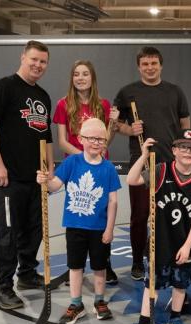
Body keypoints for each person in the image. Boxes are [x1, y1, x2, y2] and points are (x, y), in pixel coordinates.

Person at [0, 40, 53, 309]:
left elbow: (46, 136)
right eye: (34, 59)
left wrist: (50, 166)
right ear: (23, 57)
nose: (38, 65)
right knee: (7, 233)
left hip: (35, 178)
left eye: (43, 61)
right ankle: (3, 287)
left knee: (34, 230)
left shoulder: (43, 96)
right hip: (8, 178)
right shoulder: (3, 87)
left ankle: (27, 274)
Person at [118, 129, 191, 324]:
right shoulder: (161, 170)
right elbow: (131, 180)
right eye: (184, 147)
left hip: (184, 243)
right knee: (153, 284)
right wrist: (142, 156)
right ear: (174, 150)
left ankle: (175, 318)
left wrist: (188, 245)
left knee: (180, 283)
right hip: (160, 241)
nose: (188, 151)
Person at [114, 46, 191, 282]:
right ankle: (137, 260)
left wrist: (185, 156)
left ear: (160, 65)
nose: (149, 68)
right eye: (145, 64)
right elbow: (116, 125)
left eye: (153, 63)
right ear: (139, 66)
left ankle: (162, 255)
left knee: (167, 213)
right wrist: (130, 128)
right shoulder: (127, 93)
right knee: (139, 215)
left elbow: (185, 125)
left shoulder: (175, 92)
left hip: (170, 164)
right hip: (142, 163)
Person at [35, 118, 121, 324]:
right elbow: (55, 186)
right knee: (75, 266)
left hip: (99, 228)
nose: (96, 142)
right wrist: (45, 180)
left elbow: (113, 201)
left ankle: (100, 301)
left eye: (100, 139)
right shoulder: (72, 162)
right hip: (75, 226)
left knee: (100, 266)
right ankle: (76, 303)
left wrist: (109, 229)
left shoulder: (108, 168)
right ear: (81, 139)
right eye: (91, 138)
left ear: (105, 141)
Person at [52, 59, 120, 284]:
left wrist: (113, 125)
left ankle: (104, 263)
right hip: (76, 166)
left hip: (101, 165)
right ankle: (76, 263)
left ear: (92, 78)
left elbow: (106, 140)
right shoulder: (63, 104)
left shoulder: (103, 104)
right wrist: (83, 158)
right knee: (81, 213)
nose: (81, 78)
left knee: (103, 212)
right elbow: (62, 142)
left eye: (85, 74)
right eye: (76, 74)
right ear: (72, 78)